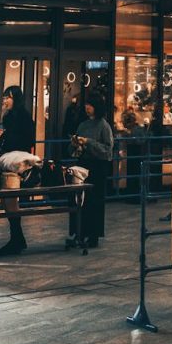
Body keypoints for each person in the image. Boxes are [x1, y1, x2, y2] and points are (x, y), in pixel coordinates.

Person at [0, 86, 35, 256]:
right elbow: (5, 142)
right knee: (6, 201)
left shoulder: (24, 117)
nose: (5, 101)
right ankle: (17, 238)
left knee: (10, 200)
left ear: (16, 99)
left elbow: (27, 141)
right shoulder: (8, 117)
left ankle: (16, 239)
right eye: (4, 98)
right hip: (6, 163)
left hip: (16, 165)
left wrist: (4, 136)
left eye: (8, 97)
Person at [71, 95, 114, 248]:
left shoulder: (103, 126)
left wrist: (89, 142)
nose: (87, 107)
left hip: (97, 167)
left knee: (94, 201)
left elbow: (108, 151)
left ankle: (93, 234)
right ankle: (80, 231)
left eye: (90, 105)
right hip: (83, 165)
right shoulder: (82, 125)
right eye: (86, 104)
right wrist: (76, 145)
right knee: (81, 200)